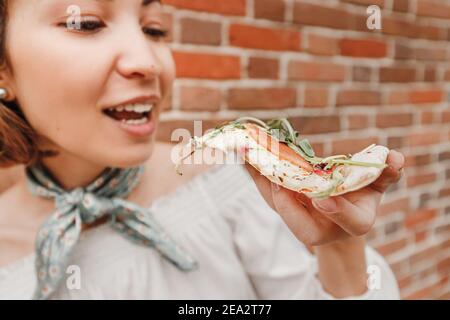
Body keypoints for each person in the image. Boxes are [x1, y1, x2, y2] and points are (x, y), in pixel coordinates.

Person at [0, 0, 405, 300]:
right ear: (4, 68)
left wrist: (338, 244)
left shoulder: (221, 181)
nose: (149, 61)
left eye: (154, 29)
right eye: (86, 23)